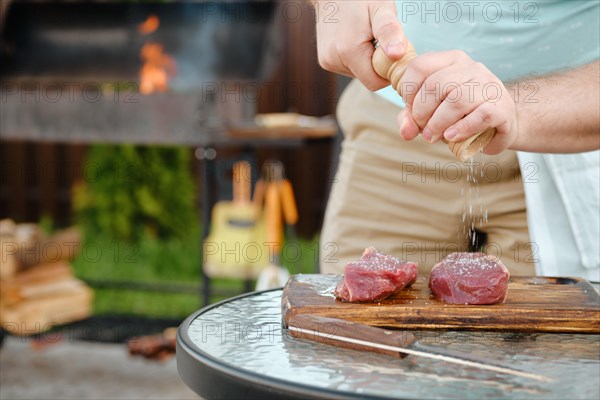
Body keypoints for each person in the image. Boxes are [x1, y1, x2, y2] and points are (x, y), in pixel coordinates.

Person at [314, 1, 599, 280]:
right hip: (394, 127)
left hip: (559, 135)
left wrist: (514, 112)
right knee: (354, 319)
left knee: (551, 321)